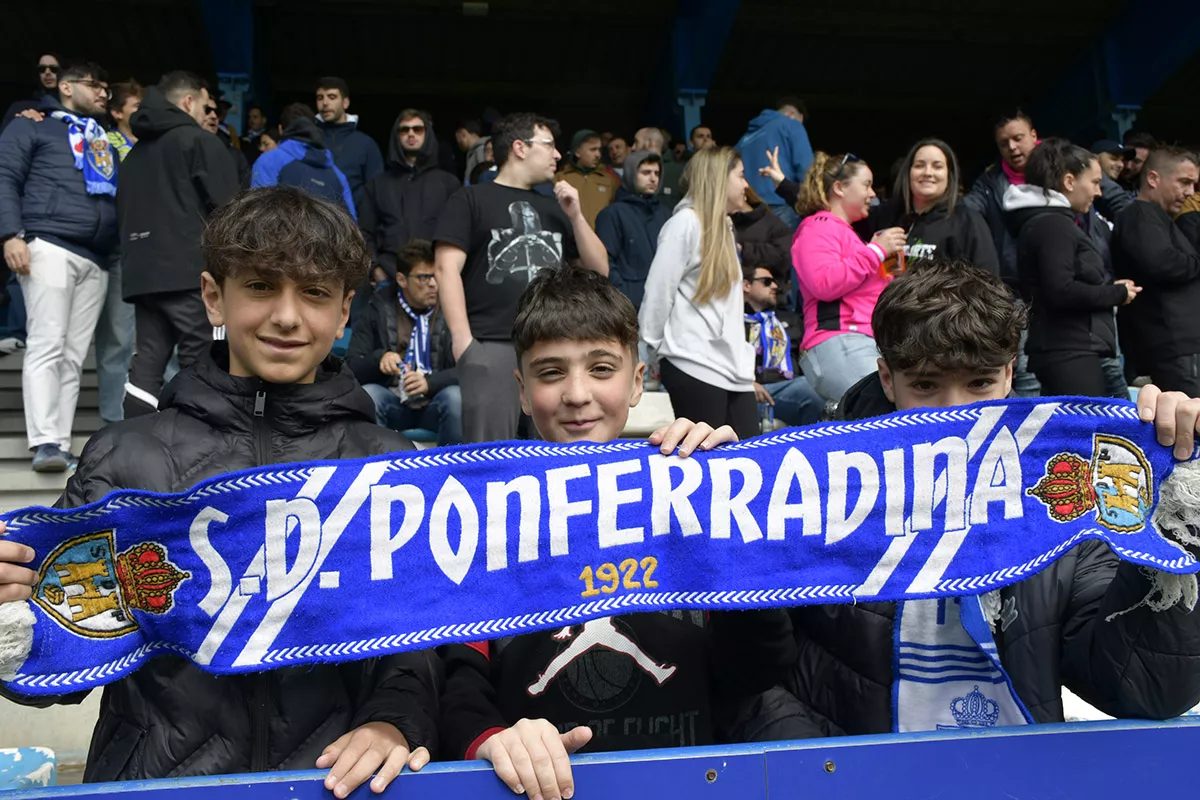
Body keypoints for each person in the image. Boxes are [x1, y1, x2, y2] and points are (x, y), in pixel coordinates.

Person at [0, 187, 438, 790]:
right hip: (151, 783)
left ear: (343, 313)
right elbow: (52, 662)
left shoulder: (387, 463)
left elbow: (419, 637)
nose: (287, 315)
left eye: (313, 292)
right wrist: (12, 619)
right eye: (260, 286)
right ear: (214, 296)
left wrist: (395, 721)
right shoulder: (123, 458)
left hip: (332, 782)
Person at [768, 259, 1200, 738]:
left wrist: (1182, 510)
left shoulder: (1065, 494)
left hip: (1016, 779)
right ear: (887, 379)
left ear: (1009, 374)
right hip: (847, 778)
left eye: (979, 384)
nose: (957, 412)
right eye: (926, 385)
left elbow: (1144, 687)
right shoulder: (809, 487)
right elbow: (748, 673)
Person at [439, 265, 796, 800]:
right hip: (533, 789)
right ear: (521, 390)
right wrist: (490, 739)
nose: (577, 394)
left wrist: (727, 519)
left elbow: (757, 668)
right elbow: (460, 676)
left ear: (636, 380)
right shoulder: (490, 517)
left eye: (601, 368)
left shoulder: (689, 491)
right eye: (551, 372)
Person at [433, 112, 608, 443]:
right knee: (489, 452)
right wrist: (464, 344)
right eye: (549, 145)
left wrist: (576, 215)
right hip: (490, 343)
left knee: (557, 450)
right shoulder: (470, 199)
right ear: (519, 147)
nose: (558, 155)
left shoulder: (557, 207)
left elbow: (600, 270)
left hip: (554, 342)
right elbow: (446, 268)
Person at [0, 61, 118, 472]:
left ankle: (60, 443)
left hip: (96, 256)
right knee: (47, 343)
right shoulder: (32, 124)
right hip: (47, 243)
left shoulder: (105, 137)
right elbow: (5, 176)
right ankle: (45, 441)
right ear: (66, 87)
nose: (103, 92)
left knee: (72, 355)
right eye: (95, 85)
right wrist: (10, 233)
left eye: (106, 87)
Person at [118, 71, 240, 416]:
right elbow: (230, 211)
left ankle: (136, 440)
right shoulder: (200, 142)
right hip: (191, 274)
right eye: (206, 105)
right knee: (201, 360)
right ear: (189, 102)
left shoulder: (133, 155)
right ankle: (196, 444)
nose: (209, 113)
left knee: (146, 365)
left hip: (141, 276)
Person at [1004, 138, 1138, 396]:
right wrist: (1116, 294)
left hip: (1070, 348)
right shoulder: (1053, 225)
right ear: (1068, 182)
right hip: (1068, 350)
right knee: (1085, 433)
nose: (1099, 192)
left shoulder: (1049, 223)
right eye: (1095, 182)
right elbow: (1061, 289)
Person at [640, 146, 758, 438]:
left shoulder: (724, 228)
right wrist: (647, 355)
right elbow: (658, 293)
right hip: (693, 362)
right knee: (709, 467)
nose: (746, 185)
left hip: (734, 370)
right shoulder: (685, 223)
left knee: (753, 455)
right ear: (719, 178)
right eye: (741, 176)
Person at [790, 152, 906, 404]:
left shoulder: (847, 235)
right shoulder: (817, 226)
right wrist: (876, 251)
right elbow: (823, 284)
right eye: (866, 184)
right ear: (840, 187)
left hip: (858, 342)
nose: (873, 193)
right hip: (838, 340)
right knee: (884, 411)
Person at [346, 239, 460, 445]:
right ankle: (377, 471)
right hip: (393, 400)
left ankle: (452, 470)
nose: (433, 284)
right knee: (370, 395)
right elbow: (351, 366)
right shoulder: (378, 307)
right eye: (424, 277)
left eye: (436, 276)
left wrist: (430, 382)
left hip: (435, 402)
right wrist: (379, 359)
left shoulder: (452, 308)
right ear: (401, 279)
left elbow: (469, 368)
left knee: (455, 397)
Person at [961, 109, 1042, 396]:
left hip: (1069, 285)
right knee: (1026, 370)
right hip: (1017, 289)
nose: (1012, 148)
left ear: (1034, 136)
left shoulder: (1064, 162)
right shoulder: (989, 183)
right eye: (1004, 143)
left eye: (1018, 138)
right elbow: (964, 211)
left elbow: (1111, 201)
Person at [1112, 146, 1200, 394]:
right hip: (1174, 345)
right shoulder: (1138, 215)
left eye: (1193, 184)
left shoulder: (1153, 217)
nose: (1190, 192)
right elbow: (1163, 263)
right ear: (1153, 178)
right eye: (1184, 182)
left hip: (1181, 345)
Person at [857, 138, 999, 273]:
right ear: (908, 173)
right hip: (890, 297)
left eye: (937, 166)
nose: (927, 173)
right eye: (919, 165)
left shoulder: (968, 221)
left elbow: (988, 277)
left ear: (949, 175)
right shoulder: (888, 216)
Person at [360, 109, 460, 278]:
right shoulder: (378, 184)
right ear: (396, 135)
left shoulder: (449, 183)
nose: (411, 134)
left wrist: (449, 272)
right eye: (404, 130)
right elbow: (364, 233)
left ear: (427, 134)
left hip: (436, 275)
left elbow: (459, 233)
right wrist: (375, 269)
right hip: (389, 275)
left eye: (418, 129)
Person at [743, 264, 822, 426]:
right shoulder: (733, 321)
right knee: (807, 389)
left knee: (816, 387)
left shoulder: (790, 319)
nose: (774, 286)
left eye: (774, 282)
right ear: (747, 285)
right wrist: (747, 383)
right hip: (749, 390)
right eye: (766, 281)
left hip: (789, 386)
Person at [594, 150, 671, 310]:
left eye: (657, 173)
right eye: (646, 172)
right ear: (630, 174)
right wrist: (624, 296)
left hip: (667, 302)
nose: (653, 178)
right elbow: (606, 262)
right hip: (630, 306)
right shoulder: (612, 214)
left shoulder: (665, 213)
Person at [251, 102, 355, 215]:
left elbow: (258, 216)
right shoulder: (338, 175)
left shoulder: (269, 161)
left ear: (281, 129)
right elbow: (352, 226)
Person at [736, 96, 814, 230]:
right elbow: (806, 168)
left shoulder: (744, 139)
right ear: (792, 115)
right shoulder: (792, 124)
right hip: (783, 205)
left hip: (750, 210)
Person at [314, 77, 384, 209]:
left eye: (332, 97)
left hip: (352, 222)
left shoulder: (365, 143)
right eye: (320, 98)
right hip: (314, 221)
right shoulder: (309, 141)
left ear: (345, 103)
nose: (325, 103)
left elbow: (376, 191)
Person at [555, 129, 620, 229]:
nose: (598, 154)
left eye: (599, 150)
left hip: (602, 239)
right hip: (571, 238)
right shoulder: (560, 178)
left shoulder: (609, 180)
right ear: (577, 152)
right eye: (593, 149)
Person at [732, 186, 795, 280]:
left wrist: (743, 250)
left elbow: (784, 257)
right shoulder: (722, 224)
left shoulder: (769, 221)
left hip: (769, 288)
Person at [1, 53, 60, 133]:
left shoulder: (72, 105)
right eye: (42, 69)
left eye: (53, 69)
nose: (47, 72)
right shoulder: (20, 106)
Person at [634, 127, 686, 209]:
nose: (633, 148)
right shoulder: (632, 172)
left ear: (650, 143)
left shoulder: (680, 172)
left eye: (636, 142)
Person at [1088, 139, 1136, 222]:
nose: (1121, 165)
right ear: (1095, 159)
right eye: (1114, 158)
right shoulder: (1087, 187)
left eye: (1122, 160)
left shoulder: (1124, 184)